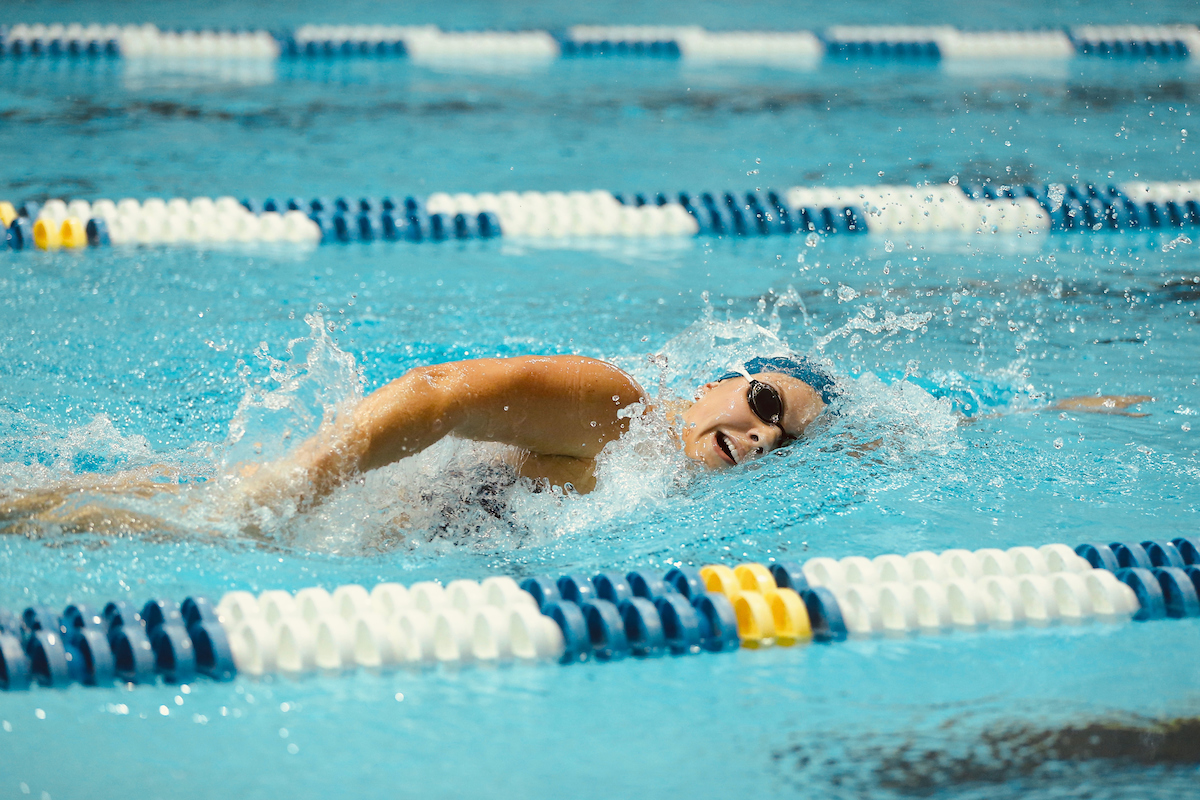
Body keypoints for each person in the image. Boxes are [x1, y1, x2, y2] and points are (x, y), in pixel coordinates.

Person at [233, 353, 1150, 513]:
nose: (758, 435)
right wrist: (298, 479)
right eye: (759, 403)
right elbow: (442, 394)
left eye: (777, 438)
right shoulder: (624, 414)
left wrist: (1043, 414)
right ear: (712, 379)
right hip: (354, 517)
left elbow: (905, 432)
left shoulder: (669, 477)